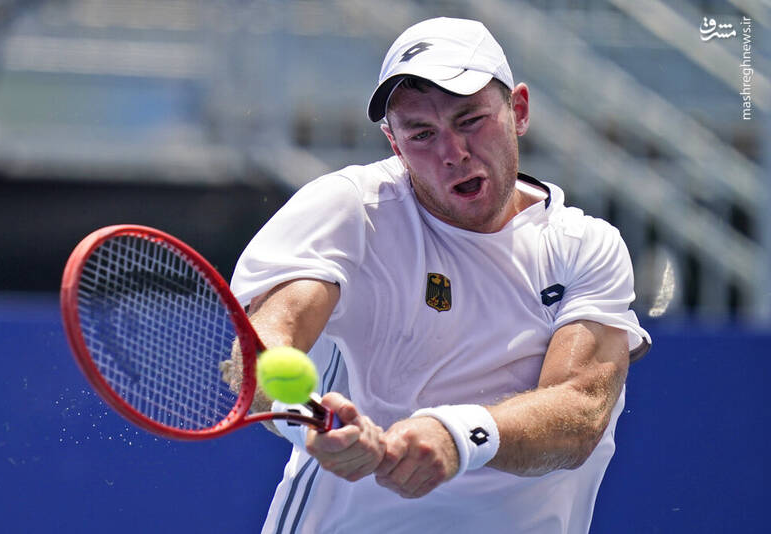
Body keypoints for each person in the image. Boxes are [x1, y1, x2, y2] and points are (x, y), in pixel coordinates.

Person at [223, 17, 651, 534]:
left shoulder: (584, 247)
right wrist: (309, 421)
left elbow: (580, 413)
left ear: (518, 110)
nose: (453, 153)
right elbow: (265, 345)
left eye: (470, 120)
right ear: (394, 144)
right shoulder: (351, 210)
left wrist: (456, 435)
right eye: (422, 134)